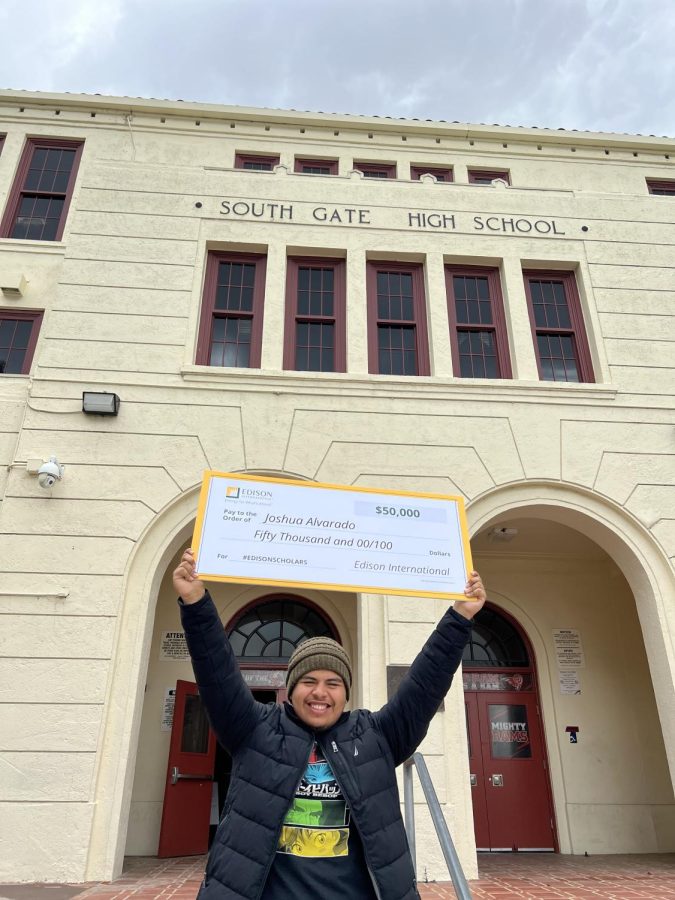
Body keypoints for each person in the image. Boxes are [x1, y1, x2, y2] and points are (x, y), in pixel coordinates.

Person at [173, 548, 486, 900]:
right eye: (308, 681)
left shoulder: (376, 737)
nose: (319, 693)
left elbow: (425, 685)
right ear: (291, 690)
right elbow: (217, 672)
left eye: (332, 683)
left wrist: (460, 617)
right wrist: (196, 601)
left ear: (346, 693)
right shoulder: (254, 730)